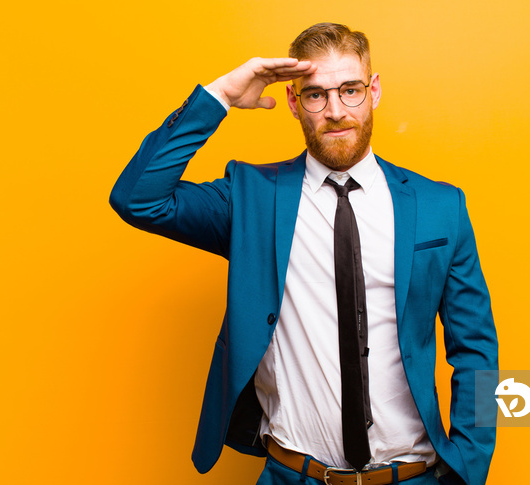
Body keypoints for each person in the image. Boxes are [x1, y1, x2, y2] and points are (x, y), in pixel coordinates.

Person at [110, 22, 498, 485]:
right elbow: (138, 199)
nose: (335, 111)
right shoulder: (251, 198)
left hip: (411, 475)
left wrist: (469, 470)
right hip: (292, 475)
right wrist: (219, 96)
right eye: (315, 95)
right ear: (294, 103)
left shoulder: (440, 207)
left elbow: (475, 350)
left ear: (374, 91)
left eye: (350, 90)